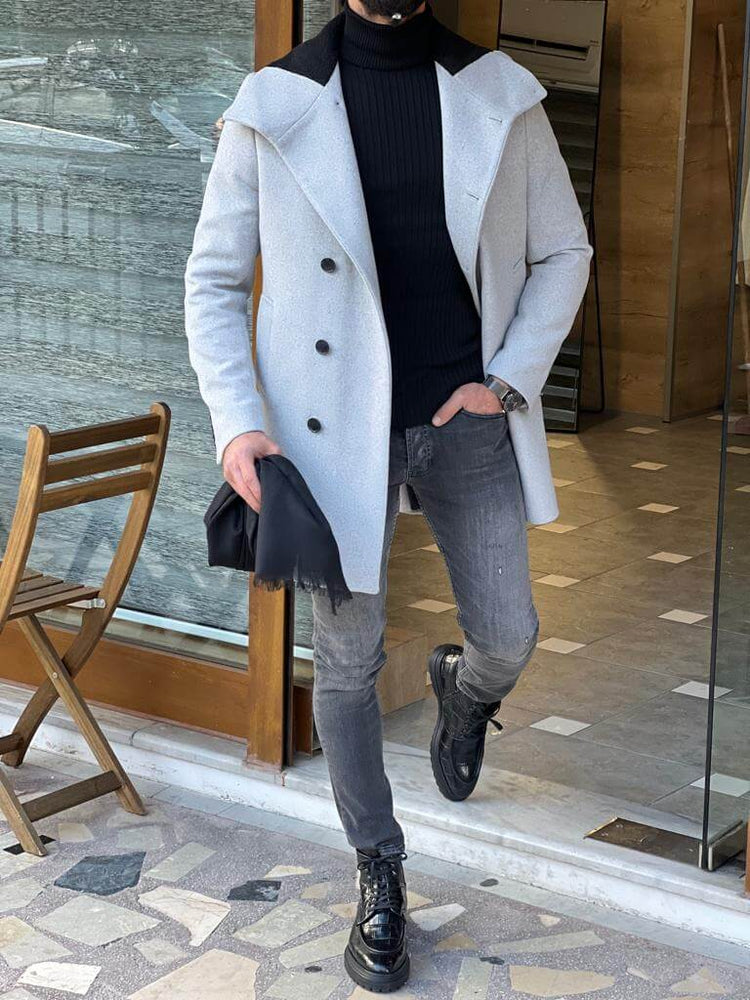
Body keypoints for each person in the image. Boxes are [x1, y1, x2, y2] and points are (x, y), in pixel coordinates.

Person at [184, 0, 592, 991]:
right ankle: (379, 864)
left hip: (465, 422)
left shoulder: (498, 94)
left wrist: (504, 381)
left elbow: (564, 251)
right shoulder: (275, 101)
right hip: (331, 433)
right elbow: (213, 277)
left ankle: (466, 692)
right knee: (348, 659)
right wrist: (237, 420)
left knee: (510, 632)